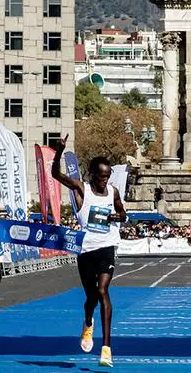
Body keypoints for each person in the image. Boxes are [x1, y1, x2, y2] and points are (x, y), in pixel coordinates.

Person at [51, 134, 127, 368]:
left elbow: (123, 215)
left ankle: (106, 348)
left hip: (106, 247)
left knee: (103, 291)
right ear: (93, 174)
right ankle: (87, 321)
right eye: (101, 177)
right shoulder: (81, 188)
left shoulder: (113, 192)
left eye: (107, 177)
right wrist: (59, 153)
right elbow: (56, 175)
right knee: (91, 297)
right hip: (86, 250)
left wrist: (117, 216)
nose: (105, 181)